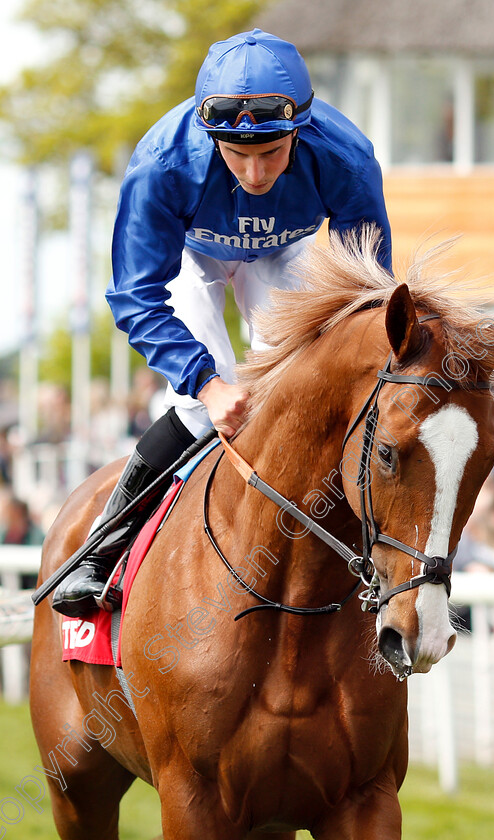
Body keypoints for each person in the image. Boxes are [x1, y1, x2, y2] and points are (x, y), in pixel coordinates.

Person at [52, 28, 392, 617]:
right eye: (236, 154)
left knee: (294, 389)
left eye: (271, 153)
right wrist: (208, 385)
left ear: (300, 130)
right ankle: (100, 549)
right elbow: (136, 296)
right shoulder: (161, 164)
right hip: (193, 254)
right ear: (210, 136)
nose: (255, 174)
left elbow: (367, 288)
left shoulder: (347, 158)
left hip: (288, 252)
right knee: (201, 404)